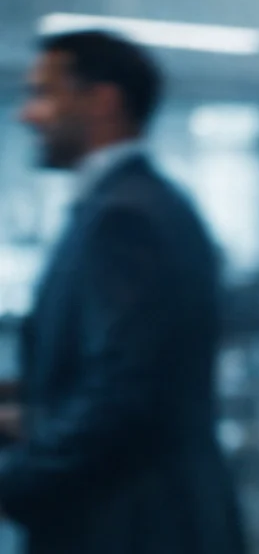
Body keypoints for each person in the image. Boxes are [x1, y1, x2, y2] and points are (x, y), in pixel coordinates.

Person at [1, 31, 245, 554]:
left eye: (43, 94)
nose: (28, 115)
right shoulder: (132, 204)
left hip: (128, 522)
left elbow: (123, 394)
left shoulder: (125, 216)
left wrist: (17, 480)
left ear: (102, 100)